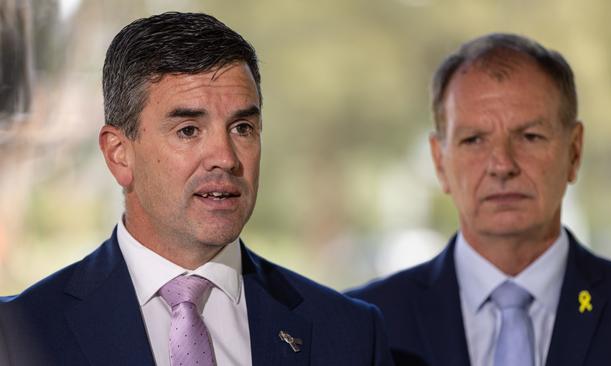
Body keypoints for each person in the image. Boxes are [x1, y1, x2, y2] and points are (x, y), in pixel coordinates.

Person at [0, 12, 392, 366]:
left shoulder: (351, 334)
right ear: (119, 154)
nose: (225, 157)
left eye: (242, 128)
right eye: (188, 130)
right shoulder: (17, 335)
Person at [347, 33, 611, 366]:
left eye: (530, 136)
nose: (503, 165)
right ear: (439, 162)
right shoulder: (361, 328)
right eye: (474, 139)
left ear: (574, 151)